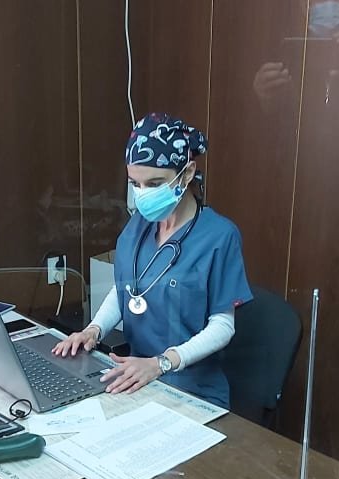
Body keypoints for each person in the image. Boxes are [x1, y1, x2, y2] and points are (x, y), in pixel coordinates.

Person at [52, 113, 252, 408]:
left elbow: (223, 326)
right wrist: (93, 330)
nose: (143, 194)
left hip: (191, 390)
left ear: (186, 174)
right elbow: (125, 290)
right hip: (137, 380)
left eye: (155, 183)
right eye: (135, 183)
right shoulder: (138, 226)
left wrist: (162, 363)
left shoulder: (219, 237)